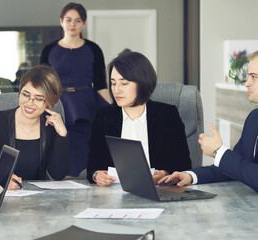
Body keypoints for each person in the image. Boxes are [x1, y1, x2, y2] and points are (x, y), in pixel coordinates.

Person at [87, 52, 192, 186]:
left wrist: (165, 173)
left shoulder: (167, 115)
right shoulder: (104, 116)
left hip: (158, 191)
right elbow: (93, 165)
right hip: (115, 193)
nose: (116, 90)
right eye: (113, 83)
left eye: (124, 83)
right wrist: (97, 175)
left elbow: (184, 164)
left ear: (143, 83)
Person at [160, 51, 258, 191]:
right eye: (248, 76)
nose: (247, 83)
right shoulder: (254, 118)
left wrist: (218, 152)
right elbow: (235, 166)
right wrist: (190, 175)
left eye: (253, 77)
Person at [40, 2, 109, 177]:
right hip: (57, 103)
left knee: (87, 146)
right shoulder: (49, 50)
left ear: (83, 23)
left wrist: (112, 110)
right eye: (68, 20)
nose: (72, 24)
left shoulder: (94, 49)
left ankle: (87, 179)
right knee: (58, 142)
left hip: (87, 104)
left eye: (77, 21)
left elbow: (101, 84)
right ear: (61, 21)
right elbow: (42, 84)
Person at [0, 65, 69, 189]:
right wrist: (2, 179)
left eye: (38, 98)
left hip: (41, 199)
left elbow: (58, 175)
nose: (30, 103)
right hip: (3, 194)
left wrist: (62, 135)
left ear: (50, 101)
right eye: (25, 95)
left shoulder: (53, 125)